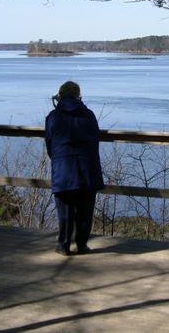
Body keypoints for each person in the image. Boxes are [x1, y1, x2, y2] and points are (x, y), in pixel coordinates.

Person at [45, 81, 104, 256]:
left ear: (60, 95)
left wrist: (58, 159)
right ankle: (82, 244)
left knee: (65, 210)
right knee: (85, 210)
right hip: (87, 167)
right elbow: (95, 140)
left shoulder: (53, 117)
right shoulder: (88, 115)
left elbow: (50, 144)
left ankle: (63, 244)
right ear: (79, 96)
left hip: (63, 168)